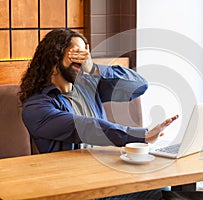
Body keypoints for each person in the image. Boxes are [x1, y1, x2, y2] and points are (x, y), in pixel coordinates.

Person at [19, 28, 178, 154]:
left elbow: (138, 85)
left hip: (107, 169)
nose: (82, 59)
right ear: (54, 57)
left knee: (164, 188)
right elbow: (86, 127)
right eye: (76, 53)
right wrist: (141, 135)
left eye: (85, 54)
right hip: (75, 183)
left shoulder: (87, 86)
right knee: (155, 193)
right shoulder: (36, 107)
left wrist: (93, 68)